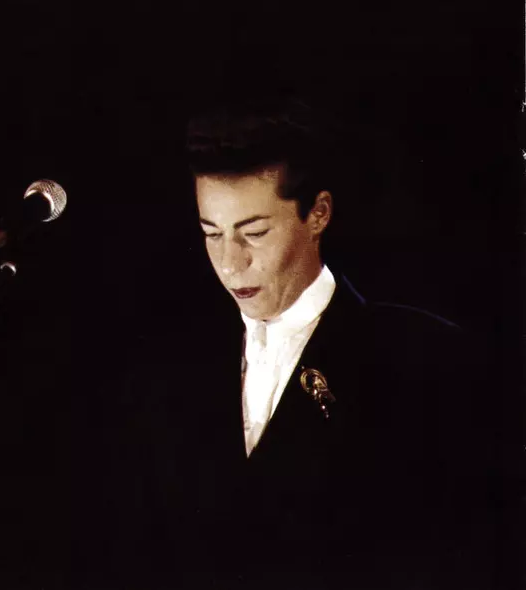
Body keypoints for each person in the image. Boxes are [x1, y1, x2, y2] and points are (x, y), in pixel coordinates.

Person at [61, 94, 494, 590]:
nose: (230, 264)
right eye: (212, 234)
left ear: (319, 214)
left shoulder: (427, 358)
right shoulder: (164, 374)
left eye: (255, 232)